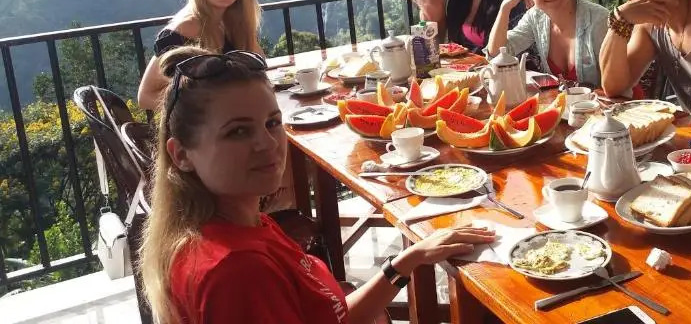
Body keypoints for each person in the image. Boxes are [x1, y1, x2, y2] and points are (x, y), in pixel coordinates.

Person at [139, 46, 496, 324]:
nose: (266, 143)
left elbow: (331, 316)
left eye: (272, 123)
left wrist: (407, 261)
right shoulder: (239, 272)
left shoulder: (239, 227)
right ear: (181, 155)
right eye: (238, 131)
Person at [138, 0, 263, 110]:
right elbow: (145, 96)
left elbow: (260, 66)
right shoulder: (182, 31)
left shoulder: (232, 24)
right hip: (202, 124)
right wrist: (205, 110)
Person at [487, 0, 607, 88]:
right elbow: (497, 54)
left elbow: (618, 85)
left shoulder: (599, 20)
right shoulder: (535, 17)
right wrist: (505, 7)